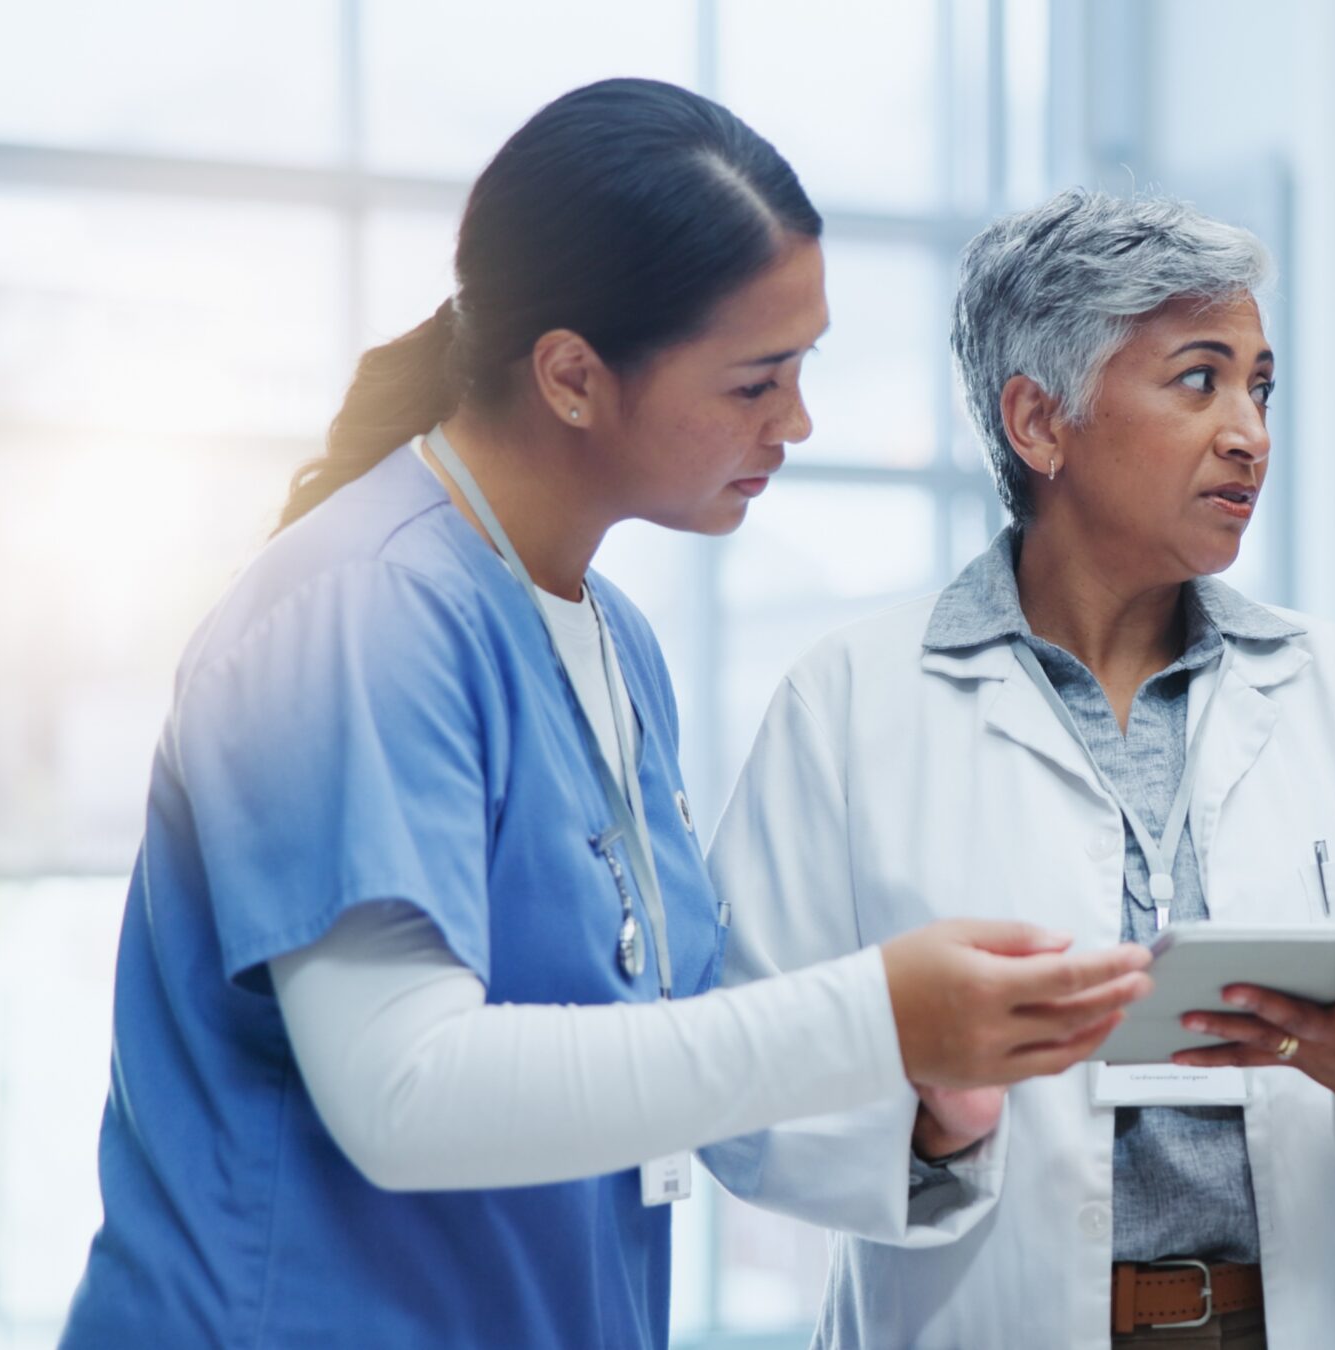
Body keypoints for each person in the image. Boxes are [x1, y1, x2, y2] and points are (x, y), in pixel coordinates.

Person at [61, 79, 1149, 1349]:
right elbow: (404, 1091)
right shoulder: (360, 615)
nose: (797, 422)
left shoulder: (613, 643)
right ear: (573, 376)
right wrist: (874, 1015)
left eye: (804, 366)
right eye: (756, 380)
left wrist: (922, 1102)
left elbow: (657, 1053)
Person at [703, 190, 1335, 1349]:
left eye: (1261, 386)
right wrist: (932, 1123)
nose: (1249, 431)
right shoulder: (851, 702)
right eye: (1199, 379)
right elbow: (740, 1075)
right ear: (1039, 421)